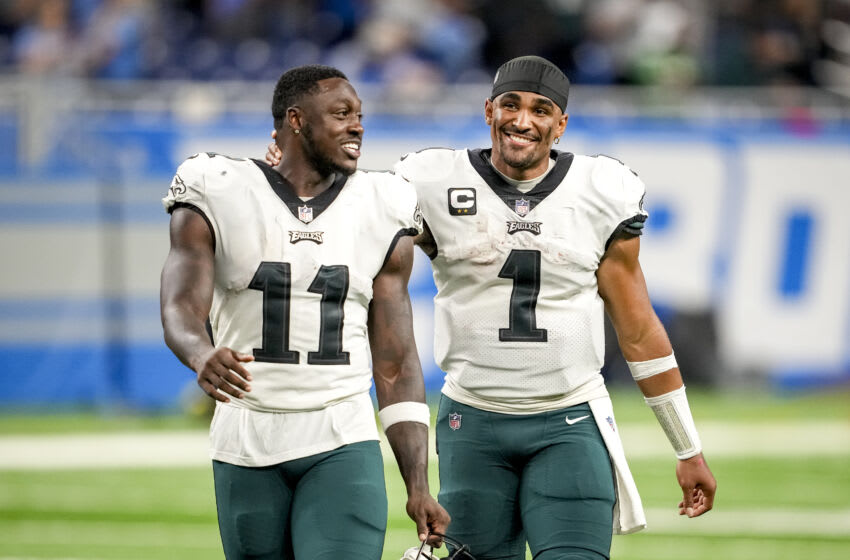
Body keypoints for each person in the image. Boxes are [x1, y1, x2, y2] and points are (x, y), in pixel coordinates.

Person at [266, 56, 716, 560]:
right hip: (472, 424)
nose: (523, 121)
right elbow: (349, 214)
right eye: (511, 105)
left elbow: (638, 331)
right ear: (488, 110)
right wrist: (293, 163)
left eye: (541, 110)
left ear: (561, 124)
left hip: (569, 420)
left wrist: (687, 446)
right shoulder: (429, 180)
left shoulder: (600, 191)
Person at [161, 64, 449, 560]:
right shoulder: (220, 186)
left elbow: (396, 361)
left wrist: (419, 484)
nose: (357, 125)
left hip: (341, 431)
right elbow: (181, 302)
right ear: (295, 120)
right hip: (245, 436)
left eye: (359, 115)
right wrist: (199, 351)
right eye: (341, 114)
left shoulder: (382, 203)